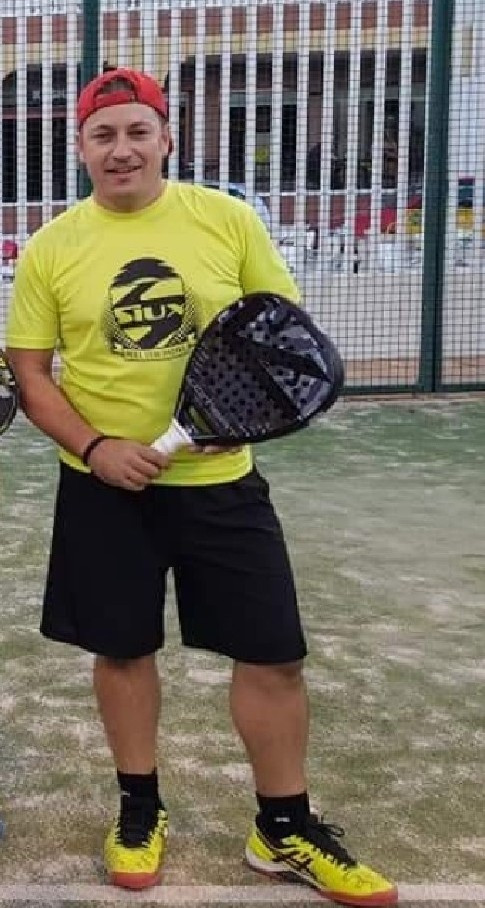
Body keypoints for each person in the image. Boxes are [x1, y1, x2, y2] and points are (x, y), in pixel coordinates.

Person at [6, 68, 398, 906]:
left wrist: (237, 420)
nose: (121, 149)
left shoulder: (227, 220)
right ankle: (138, 811)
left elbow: (278, 334)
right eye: (103, 135)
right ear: (81, 149)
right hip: (102, 489)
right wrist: (95, 446)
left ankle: (282, 828)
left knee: (273, 656)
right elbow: (31, 374)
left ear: (166, 138)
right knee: (122, 650)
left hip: (222, 482)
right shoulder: (51, 247)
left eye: (136, 131)